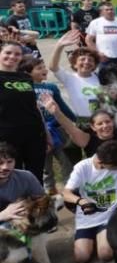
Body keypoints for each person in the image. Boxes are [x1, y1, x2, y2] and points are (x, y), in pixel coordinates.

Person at [62, 139, 117, 263]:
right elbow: (66, 193)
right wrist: (80, 201)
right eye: (114, 168)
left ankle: (103, 238)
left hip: (110, 216)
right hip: (87, 218)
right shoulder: (82, 167)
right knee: (81, 258)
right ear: (101, 162)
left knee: (105, 254)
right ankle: (95, 239)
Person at [22, 57, 75, 194]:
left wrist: (75, 120)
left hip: (58, 130)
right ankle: (49, 191)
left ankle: (70, 189)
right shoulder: (25, 88)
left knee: (65, 160)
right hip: (39, 133)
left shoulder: (51, 87)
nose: (44, 70)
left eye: (44, 67)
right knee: (45, 166)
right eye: (39, 68)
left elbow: (62, 107)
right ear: (28, 73)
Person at [0, 41, 47, 182]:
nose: (12, 56)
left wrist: (46, 132)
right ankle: (18, 203)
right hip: (7, 136)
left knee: (36, 172)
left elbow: (34, 106)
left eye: (17, 54)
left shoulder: (26, 77)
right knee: (13, 173)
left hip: (34, 134)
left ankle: (38, 202)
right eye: (8, 53)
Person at [0, 142, 46, 224]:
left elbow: (42, 200)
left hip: (20, 220)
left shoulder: (26, 177)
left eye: (9, 161)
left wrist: (30, 207)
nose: (5, 167)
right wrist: (2, 215)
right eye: (0, 163)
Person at [85, 2, 117, 75]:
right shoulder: (96, 22)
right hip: (104, 57)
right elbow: (88, 40)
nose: (110, 11)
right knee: (105, 80)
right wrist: (97, 53)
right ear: (102, 12)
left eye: (111, 9)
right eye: (107, 10)